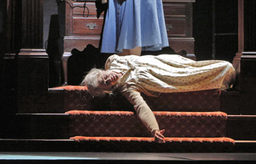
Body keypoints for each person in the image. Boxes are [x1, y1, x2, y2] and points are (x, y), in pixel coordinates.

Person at [82, 54, 235, 143]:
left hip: (168, 62)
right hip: (170, 76)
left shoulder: (115, 61)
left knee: (195, 65)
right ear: (109, 90)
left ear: (102, 71)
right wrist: (153, 129)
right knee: (222, 68)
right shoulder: (126, 87)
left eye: (104, 78)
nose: (109, 79)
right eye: (107, 84)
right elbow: (141, 106)